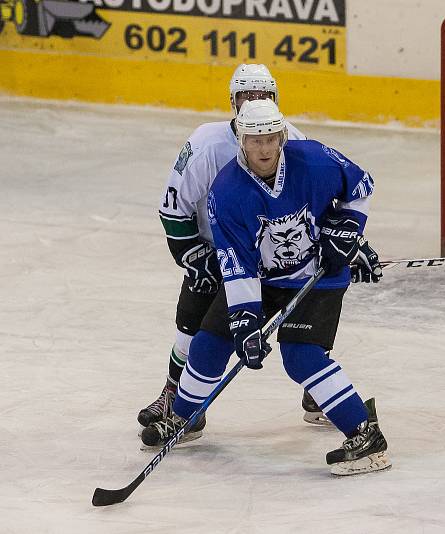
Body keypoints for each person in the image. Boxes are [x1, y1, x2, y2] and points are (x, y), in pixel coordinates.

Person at [141, 99, 389, 476]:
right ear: (241, 138)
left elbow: (361, 185)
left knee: (300, 356)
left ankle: (364, 434)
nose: (264, 148)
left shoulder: (314, 160)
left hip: (317, 274)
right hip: (262, 278)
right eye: (255, 139)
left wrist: (348, 229)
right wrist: (244, 322)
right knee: (210, 341)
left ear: (281, 136)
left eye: (271, 138)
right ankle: (184, 418)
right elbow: (236, 263)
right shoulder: (226, 192)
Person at [138, 64, 314, 434]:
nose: (254, 103)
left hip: (274, 258)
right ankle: (176, 395)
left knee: (305, 331)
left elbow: (318, 195)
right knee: (193, 330)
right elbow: (174, 205)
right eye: (246, 96)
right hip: (217, 252)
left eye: (262, 96)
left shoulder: (292, 140)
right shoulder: (206, 143)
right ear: (232, 101)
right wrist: (192, 255)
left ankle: (321, 392)